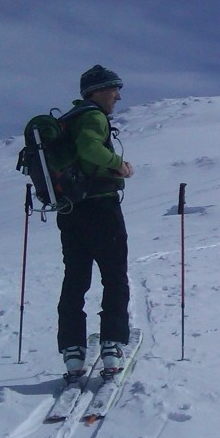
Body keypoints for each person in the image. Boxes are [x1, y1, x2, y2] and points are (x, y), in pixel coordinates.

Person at [57, 65, 135, 381]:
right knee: (114, 275)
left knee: (75, 278)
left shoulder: (68, 120)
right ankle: (112, 345)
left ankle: (73, 352)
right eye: (113, 89)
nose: (117, 96)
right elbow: (90, 147)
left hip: (70, 210)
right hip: (101, 208)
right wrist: (119, 164)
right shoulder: (93, 117)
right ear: (97, 91)